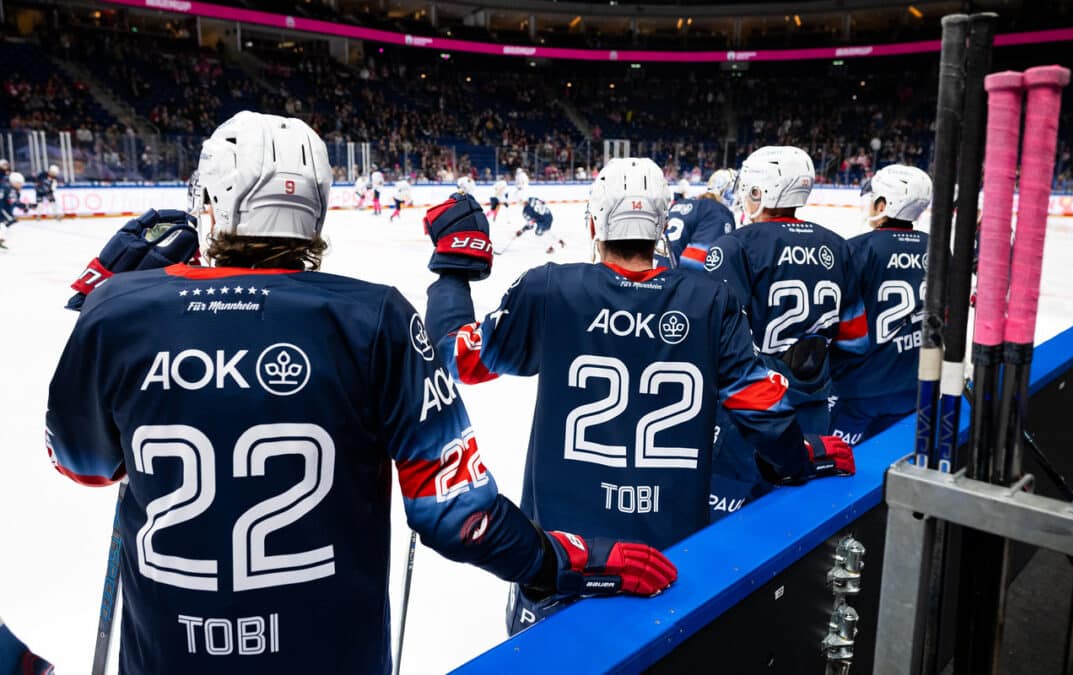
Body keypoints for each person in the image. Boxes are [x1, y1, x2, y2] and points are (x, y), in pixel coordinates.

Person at [44, 113, 675, 675]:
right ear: (316, 207)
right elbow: (463, 519)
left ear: (214, 203)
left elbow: (85, 465)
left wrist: (104, 307)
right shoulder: (376, 319)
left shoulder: (120, 313)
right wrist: (572, 560)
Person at [423, 157, 855, 636]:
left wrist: (453, 269)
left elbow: (457, 358)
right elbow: (761, 412)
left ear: (593, 223)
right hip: (672, 562)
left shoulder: (549, 289)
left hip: (564, 560)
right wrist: (799, 455)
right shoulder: (710, 302)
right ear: (661, 229)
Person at [681, 147, 869, 434]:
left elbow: (713, 341)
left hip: (750, 416)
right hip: (814, 407)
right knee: (806, 476)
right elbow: (856, 340)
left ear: (759, 193)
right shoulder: (838, 246)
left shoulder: (734, 246)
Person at [829, 164, 931, 445]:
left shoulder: (855, 249)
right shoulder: (935, 247)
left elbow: (833, 320)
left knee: (839, 468)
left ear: (885, 203)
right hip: (914, 385)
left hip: (859, 389)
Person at [660, 169, 737, 268]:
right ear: (725, 191)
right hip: (676, 277)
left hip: (656, 270)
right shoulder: (717, 211)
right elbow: (697, 263)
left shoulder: (681, 204)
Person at [0, 172, 28, 248]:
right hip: (2, 211)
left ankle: (2, 240)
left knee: (9, 223)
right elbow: (3, 204)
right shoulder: (6, 188)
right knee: (7, 223)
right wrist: (7, 215)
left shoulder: (13, 190)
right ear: (14, 182)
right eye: (19, 183)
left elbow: (14, 202)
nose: (21, 185)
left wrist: (26, 206)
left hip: (4, 211)